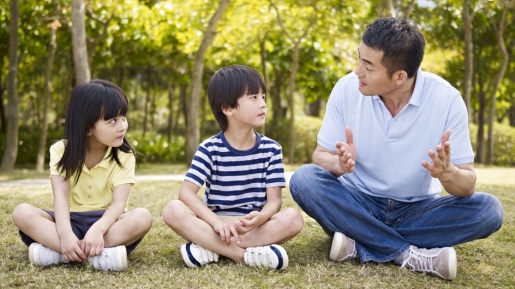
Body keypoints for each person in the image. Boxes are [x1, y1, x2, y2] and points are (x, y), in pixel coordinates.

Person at [289, 17, 504, 281]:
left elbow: (467, 186)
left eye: (368, 66)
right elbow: (319, 157)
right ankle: (408, 254)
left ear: (399, 77)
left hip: (417, 211)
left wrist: (448, 173)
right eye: (359, 59)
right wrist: (338, 165)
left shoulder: (447, 100)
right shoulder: (346, 90)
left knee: (489, 210)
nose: (358, 71)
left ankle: (360, 243)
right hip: (357, 203)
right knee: (304, 179)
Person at [162, 64, 304, 270]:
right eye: (254, 97)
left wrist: (261, 217)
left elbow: (274, 201)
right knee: (173, 210)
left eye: (263, 96)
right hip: (215, 224)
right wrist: (217, 224)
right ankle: (244, 255)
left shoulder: (272, 149)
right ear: (228, 108)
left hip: (253, 227)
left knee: (293, 219)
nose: (263, 104)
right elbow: (186, 193)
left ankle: (210, 248)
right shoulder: (209, 148)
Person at [12, 79, 153, 271]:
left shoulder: (124, 155)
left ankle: (60, 254)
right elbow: (60, 195)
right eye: (112, 121)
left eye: (123, 118)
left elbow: (119, 204)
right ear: (87, 127)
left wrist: (98, 229)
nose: (122, 126)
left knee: (142, 217)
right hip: (69, 219)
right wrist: (65, 234)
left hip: (107, 225)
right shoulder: (60, 150)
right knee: (22, 212)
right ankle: (94, 254)